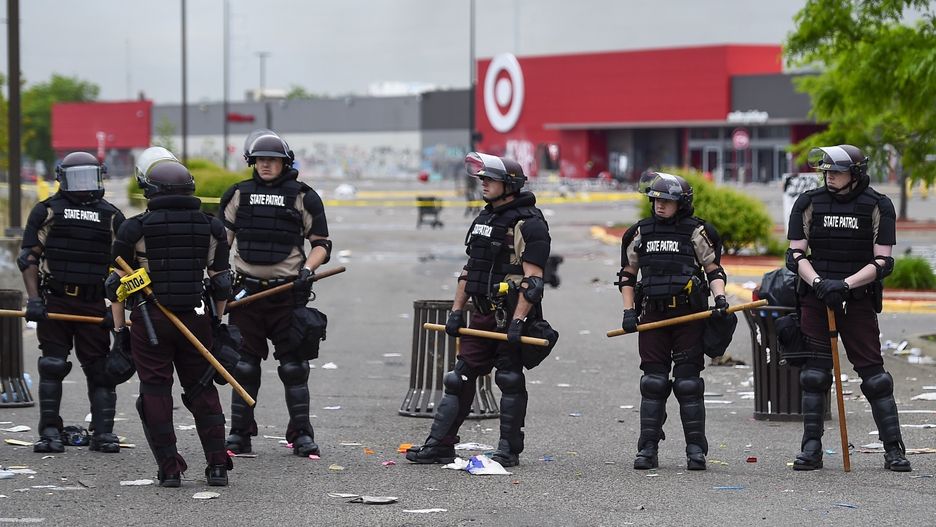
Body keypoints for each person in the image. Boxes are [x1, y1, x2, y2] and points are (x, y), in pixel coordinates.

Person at [406, 152, 552, 468]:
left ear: (509, 184)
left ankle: (508, 450)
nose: (483, 183)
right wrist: (457, 312)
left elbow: (534, 281)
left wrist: (518, 322)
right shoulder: (484, 219)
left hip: (511, 314)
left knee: (510, 379)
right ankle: (439, 445)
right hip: (482, 314)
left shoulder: (530, 224)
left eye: (490, 179)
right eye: (482, 178)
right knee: (458, 378)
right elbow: (469, 270)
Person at [107, 147, 234, 487]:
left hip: (151, 322)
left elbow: (115, 284)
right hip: (197, 317)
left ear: (148, 189)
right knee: (203, 388)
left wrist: (119, 331)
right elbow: (221, 281)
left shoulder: (134, 229)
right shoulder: (213, 227)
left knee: (155, 390)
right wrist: (218, 324)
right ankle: (218, 466)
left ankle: (170, 468)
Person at [786, 144, 910, 472]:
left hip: (856, 300)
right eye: (826, 172)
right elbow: (795, 255)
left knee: (875, 378)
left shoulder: (878, 205)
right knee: (814, 375)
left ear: (854, 174)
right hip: (816, 298)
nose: (830, 177)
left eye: (837, 172)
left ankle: (893, 448)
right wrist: (817, 284)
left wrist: (844, 284)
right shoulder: (808, 202)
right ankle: (811, 448)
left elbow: (883, 261)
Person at [218, 129, 332, 457]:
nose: (266, 165)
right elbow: (220, 244)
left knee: (294, 368)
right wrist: (219, 278)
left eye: (273, 160)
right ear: (252, 162)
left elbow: (321, 244)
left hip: (287, 295)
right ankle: (239, 434)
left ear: (285, 163)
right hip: (246, 296)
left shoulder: (303, 196)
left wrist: (308, 271)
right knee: (243, 366)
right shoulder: (237, 194)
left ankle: (301, 435)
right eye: (260, 160)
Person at [616, 173, 728, 471]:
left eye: (667, 201)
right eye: (656, 200)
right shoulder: (639, 233)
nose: (660, 205)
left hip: (688, 318)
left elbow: (713, 270)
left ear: (682, 203)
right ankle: (648, 448)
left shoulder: (697, 232)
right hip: (652, 316)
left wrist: (720, 300)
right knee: (652, 383)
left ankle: (695, 450)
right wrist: (629, 312)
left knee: (689, 384)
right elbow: (628, 275)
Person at [19, 151, 126, 454]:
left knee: (100, 370)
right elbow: (28, 257)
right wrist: (35, 300)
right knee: (52, 365)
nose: (82, 185)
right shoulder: (48, 211)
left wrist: (115, 310)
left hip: (93, 302)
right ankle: (50, 431)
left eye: (88, 177)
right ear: (63, 179)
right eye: (76, 178)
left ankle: (103, 432)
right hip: (56, 300)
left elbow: (127, 267)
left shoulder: (112, 216)